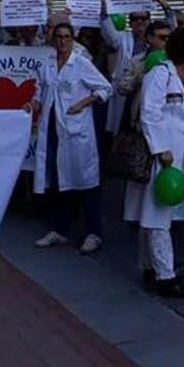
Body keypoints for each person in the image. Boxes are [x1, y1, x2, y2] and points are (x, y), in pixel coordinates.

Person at [123, 26, 184, 299]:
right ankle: (166, 276)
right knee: (160, 215)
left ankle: (148, 266)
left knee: (154, 214)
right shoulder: (161, 74)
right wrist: (161, 148)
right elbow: (149, 113)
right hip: (165, 157)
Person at [33, 23, 113, 254]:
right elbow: (40, 92)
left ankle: (93, 233)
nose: (62, 41)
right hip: (53, 133)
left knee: (86, 183)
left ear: (73, 39)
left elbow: (105, 89)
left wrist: (83, 103)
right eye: (58, 37)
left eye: (67, 37)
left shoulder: (81, 64)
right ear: (52, 39)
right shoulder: (46, 64)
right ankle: (59, 229)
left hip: (76, 133)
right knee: (59, 183)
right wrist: (33, 103)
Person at [100, 0, 175, 135]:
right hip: (128, 95)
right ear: (130, 22)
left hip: (154, 94)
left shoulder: (160, 41)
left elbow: (171, 29)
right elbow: (107, 28)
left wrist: (163, 3)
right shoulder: (122, 38)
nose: (140, 21)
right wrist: (104, 6)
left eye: (143, 18)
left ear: (149, 20)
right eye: (135, 19)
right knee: (128, 133)